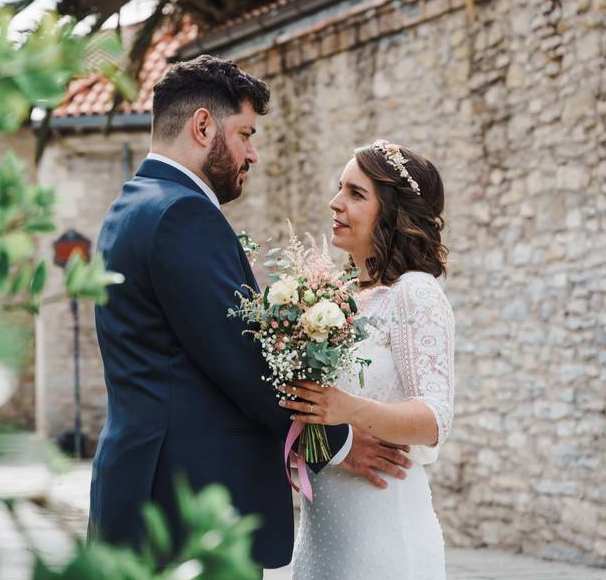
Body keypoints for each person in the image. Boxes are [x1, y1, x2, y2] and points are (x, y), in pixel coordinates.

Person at [87, 55, 409, 571]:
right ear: (202, 126)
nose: (253, 153)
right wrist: (338, 440)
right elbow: (243, 359)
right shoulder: (182, 214)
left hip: (140, 486)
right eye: (245, 133)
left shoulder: (131, 206)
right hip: (187, 505)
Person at [280, 139, 455, 580]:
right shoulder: (336, 297)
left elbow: (435, 418)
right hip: (321, 539)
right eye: (340, 188)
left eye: (356, 194)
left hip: (384, 536)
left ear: (393, 212)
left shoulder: (413, 293)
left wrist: (345, 409)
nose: (334, 203)